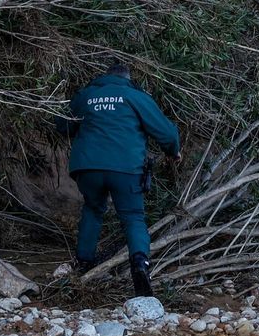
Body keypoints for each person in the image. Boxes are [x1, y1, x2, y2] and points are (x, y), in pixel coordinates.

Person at [55, 62, 180, 297]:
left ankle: (84, 262)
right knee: (133, 217)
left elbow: (62, 125)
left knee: (93, 209)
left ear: (105, 76)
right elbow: (167, 132)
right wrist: (173, 151)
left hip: (88, 167)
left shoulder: (87, 95)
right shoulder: (135, 96)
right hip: (126, 168)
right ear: (128, 78)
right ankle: (140, 265)